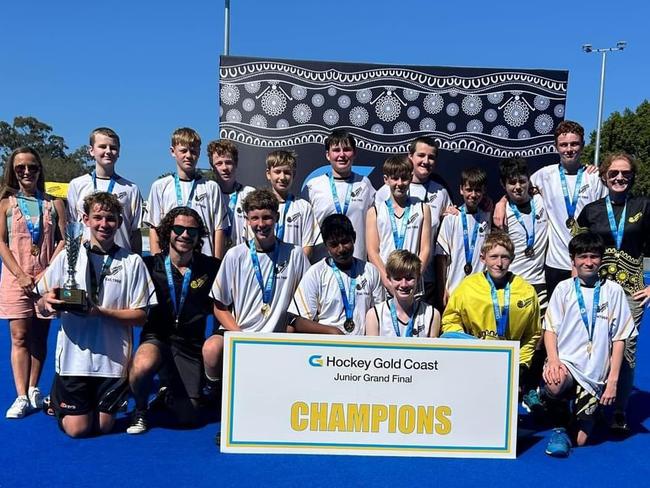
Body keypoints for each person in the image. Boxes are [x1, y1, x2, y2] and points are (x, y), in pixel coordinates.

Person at [35, 192, 156, 437]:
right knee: (77, 430)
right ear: (86, 219)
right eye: (97, 217)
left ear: (120, 222)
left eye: (110, 219)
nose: (104, 224)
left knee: (104, 426)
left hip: (112, 363)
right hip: (73, 361)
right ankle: (56, 402)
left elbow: (141, 316)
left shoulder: (132, 262)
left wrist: (100, 312)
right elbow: (40, 302)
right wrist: (46, 303)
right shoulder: (69, 256)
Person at [202, 189, 310, 393]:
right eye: (255, 218)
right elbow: (219, 306)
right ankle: (216, 396)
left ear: (277, 217)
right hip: (241, 332)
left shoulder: (295, 254)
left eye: (267, 217)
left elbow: (307, 306)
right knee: (211, 348)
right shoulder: (235, 255)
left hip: (279, 335)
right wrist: (240, 336)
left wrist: (290, 330)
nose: (261, 224)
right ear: (247, 220)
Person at [127, 207, 220, 434]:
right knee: (142, 365)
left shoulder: (211, 267)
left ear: (199, 236)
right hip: (157, 339)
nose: (185, 235)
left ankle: (167, 391)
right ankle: (140, 411)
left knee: (189, 418)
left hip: (190, 345)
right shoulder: (148, 265)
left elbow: (227, 302)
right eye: (178, 229)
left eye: (192, 231)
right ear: (168, 231)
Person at [542, 232, 636, 457]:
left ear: (601, 259)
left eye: (594, 256)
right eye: (582, 256)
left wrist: (612, 381)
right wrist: (553, 360)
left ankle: (586, 410)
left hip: (595, 371)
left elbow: (620, 338)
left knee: (582, 441)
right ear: (572, 260)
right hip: (566, 363)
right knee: (554, 384)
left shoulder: (612, 291)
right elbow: (550, 329)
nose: (588, 262)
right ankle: (559, 424)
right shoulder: (564, 288)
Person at [576, 152, 650, 432]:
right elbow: (578, 250)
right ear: (605, 177)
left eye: (625, 173)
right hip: (597, 288)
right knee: (595, 346)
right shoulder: (591, 210)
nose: (619, 178)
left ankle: (620, 409)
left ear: (632, 176)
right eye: (614, 174)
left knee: (627, 350)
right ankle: (591, 404)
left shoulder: (645, 206)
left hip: (632, 291)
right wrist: (575, 287)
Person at [496, 121, 606, 297]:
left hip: (586, 261)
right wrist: (500, 203)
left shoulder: (595, 178)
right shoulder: (544, 175)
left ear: (583, 145)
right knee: (555, 319)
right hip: (555, 264)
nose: (569, 149)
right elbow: (518, 188)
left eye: (574, 144)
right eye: (563, 145)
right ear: (556, 147)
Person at [0, 147, 66, 418]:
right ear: (13, 172)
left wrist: (48, 272)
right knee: (20, 336)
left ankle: (33, 388)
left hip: (45, 280)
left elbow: (64, 239)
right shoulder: (5, 203)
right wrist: (20, 274)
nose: (27, 172)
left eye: (32, 167)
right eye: (20, 168)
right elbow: (1, 242)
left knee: (40, 336)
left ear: (40, 169)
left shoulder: (54, 202)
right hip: (16, 279)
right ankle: (20, 395)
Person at [441, 232, 541, 383]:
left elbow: (532, 333)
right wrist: (464, 346)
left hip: (510, 362)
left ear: (512, 259)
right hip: (474, 359)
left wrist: (521, 363)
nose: (499, 263)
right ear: (483, 258)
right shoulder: (468, 286)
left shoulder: (526, 291)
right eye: (493, 256)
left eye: (504, 257)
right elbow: (450, 320)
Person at [499, 157, 549, 410]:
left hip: (539, 283)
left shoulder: (542, 201)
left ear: (529, 182)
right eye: (511, 183)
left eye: (521, 181)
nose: (517, 187)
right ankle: (507, 387)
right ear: (504, 186)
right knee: (509, 337)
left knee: (538, 339)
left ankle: (530, 387)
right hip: (513, 283)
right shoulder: (502, 211)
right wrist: (499, 203)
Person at [287, 214, 384, 335]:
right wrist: (332, 331)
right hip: (328, 348)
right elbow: (296, 321)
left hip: (361, 348)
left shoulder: (370, 271)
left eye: (345, 242)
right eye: (334, 245)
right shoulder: (316, 273)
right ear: (326, 245)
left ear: (353, 237)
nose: (341, 249)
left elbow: (380, 314)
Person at [146, 127, 229, 258]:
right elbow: (154, 227)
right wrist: (157, 261)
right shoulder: (160, 186)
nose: (189, 156)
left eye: (193, 151)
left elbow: (219, 228)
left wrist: (216, 263)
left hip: (204, 262)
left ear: (199, 152)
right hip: (170, 263)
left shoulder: (211, 187)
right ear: (173, 152)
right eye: (183, 151)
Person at [67, 127, 144, 253]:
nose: (108, 151)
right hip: (86, 259)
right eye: (102, 146)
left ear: (119, 152)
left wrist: (138, 259)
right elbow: (73, 226)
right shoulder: (76, 184)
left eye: (113, 148)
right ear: (91, 150)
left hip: (121, 260)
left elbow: (135, 232)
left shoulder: (131, 189)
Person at [302, 128, 375, 260]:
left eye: (346, 149)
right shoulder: (313, 186)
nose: (342, 155)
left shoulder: (365, 184)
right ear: (328, 155)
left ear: (354, 154)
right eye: (336, 150)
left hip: (357, 263)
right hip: (323, 265)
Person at [366, 155, 431, 291]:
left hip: (413, 284)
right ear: (386, 180)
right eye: (395, 178)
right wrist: (387, 280)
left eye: (404, 178)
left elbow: (425, 249)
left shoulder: (422, 208)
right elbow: (373, 251)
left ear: (411, 177)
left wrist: (414, 277)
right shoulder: (375, 211)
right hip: (385, 284)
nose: (400, 183)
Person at [435, 167, 490, 307]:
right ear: (461, 190)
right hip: (454, 291)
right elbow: (441, 257)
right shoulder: (451, 218)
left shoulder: (487, 217)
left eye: (478, 190)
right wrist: (443, 290)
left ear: (484, 191)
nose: (473, 194)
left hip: (479, 294)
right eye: (469, 189)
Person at [366, 250, 440, 338]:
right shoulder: (375, 315)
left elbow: (431, 351)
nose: (404, 284)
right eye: (397, 279)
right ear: (389, 279)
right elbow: (372, 351)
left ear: (418, 278)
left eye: (409, 278)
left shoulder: (431, 315)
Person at [265, 149, 318, 260]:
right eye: (277, 172)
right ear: (268, 174)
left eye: (287, 172)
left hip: (294, 271)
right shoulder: (260, 206)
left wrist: (297, 270)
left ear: (294, 175)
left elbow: (307, 246)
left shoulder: (304, 207)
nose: (283, 177)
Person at [206, 139, 255, 249]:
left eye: (228, 162)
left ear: (236, 163)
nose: (224, 168)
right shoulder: (207, 195)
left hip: (243, 258)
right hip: (214, 259)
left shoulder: (249, 193)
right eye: (219, 163)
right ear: (212, 167)